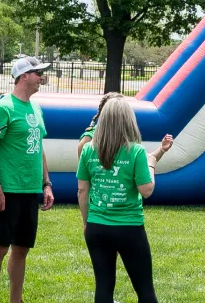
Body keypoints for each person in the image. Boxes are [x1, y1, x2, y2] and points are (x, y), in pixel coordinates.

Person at [77, 93, 169, 303]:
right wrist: (152, 164)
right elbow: (146, 190)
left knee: (103, 287)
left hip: (97, 226)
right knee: (145, 290)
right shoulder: (136, 151)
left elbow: (82, 190)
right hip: (129, 227)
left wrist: (86, 222)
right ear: (129, 120)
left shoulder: (88, 150)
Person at [0, 57, 52, 303]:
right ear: (23, 76)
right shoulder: (3, 108)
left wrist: (46, 184)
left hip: (29, 190)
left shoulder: (36, 108)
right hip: (5, 191)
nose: (41, 77)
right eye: (37, 73)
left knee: (21, 249)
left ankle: (15, 300)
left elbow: (38, 147)